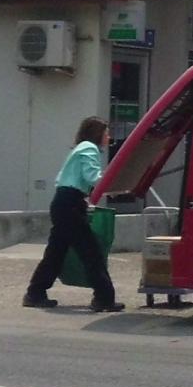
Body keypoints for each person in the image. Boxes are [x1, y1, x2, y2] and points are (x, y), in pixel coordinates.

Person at [24, 117, 120, 311]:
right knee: (90, 251)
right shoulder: (89, 148)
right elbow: (92, 177)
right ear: (98, 133)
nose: (108, 137)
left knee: (56, 252)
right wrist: (117, 181)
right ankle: (104, 297)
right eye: (106, 133)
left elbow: (65, 179)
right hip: (70, 204)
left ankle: (35, 293)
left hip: (64, 202)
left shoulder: (80, 148)